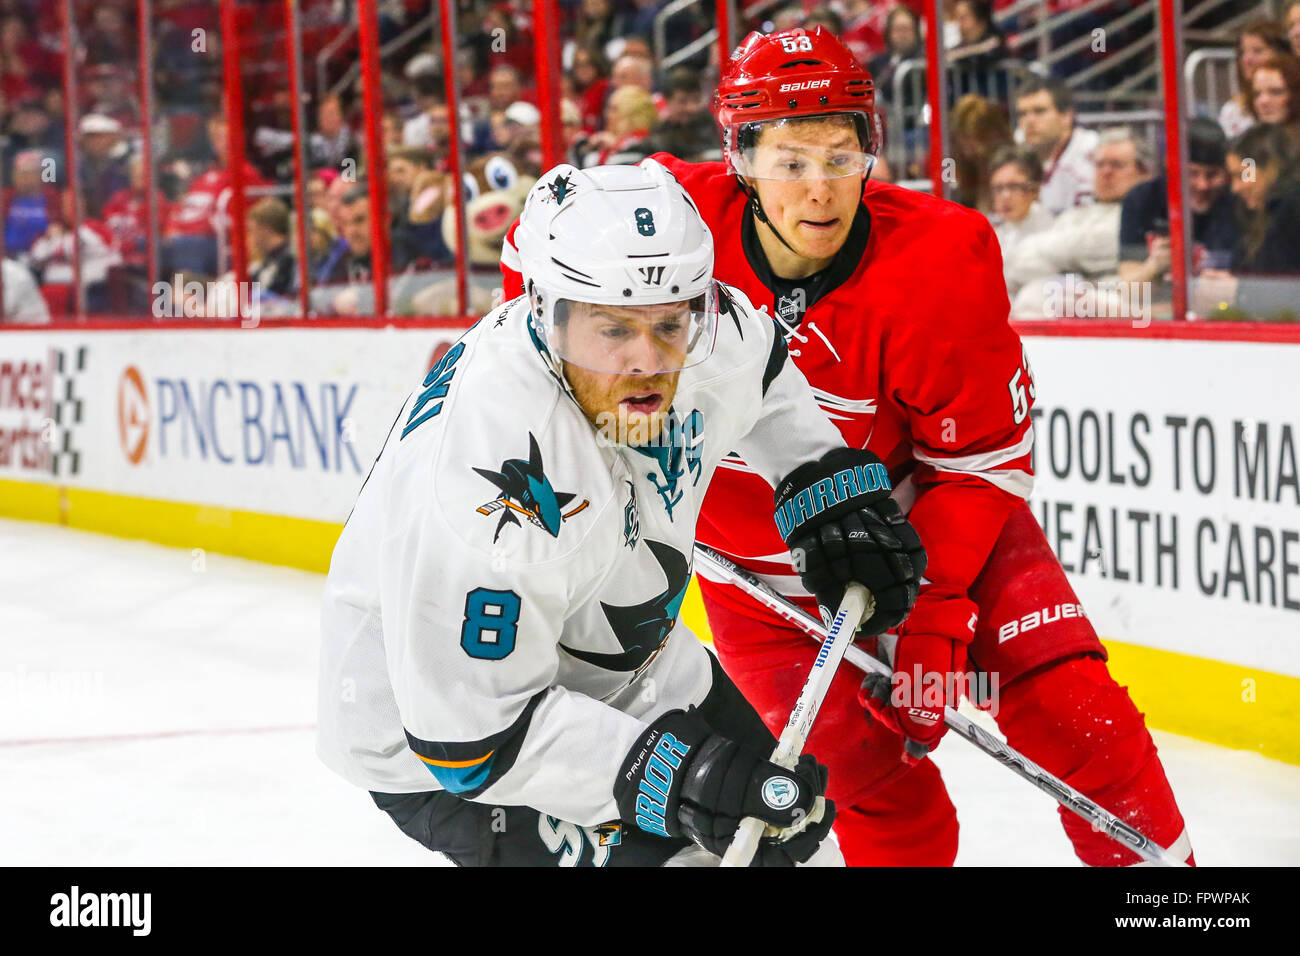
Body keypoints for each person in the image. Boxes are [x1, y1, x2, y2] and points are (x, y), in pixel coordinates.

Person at [500, 26, 1196, 867]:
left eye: (842, 155)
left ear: (872, 149)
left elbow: (981, 465)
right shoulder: (667, 227)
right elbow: (540, 245)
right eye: (791, 161)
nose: (821, 189)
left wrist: (933, 617)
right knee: (876, 807)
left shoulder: (940, 257)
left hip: (935, 534)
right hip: (764, 590)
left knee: (1085, 728)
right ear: (741, 161)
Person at [318, 159, 928, 866]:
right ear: (545, 315)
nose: (648, 361)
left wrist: (824, 489)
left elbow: (757, 372)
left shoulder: (683, 322)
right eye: (612, 331)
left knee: (788, 832)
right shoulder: (490, 497)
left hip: (628, 666)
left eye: (671, 325)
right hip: (449, 752)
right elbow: (473, 738)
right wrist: (683, 778)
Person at [1005, 127, 1152, 314]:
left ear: (1144, 172)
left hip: (1130, 313)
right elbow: (1019, 265)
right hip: (1074, 308)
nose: (1106, 172)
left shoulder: (1144, 217)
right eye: (1100, 164)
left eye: (1116, 165)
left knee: (1042, 298)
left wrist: (1061, 263)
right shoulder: (1073, 217)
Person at [1118, 118, 1236, 284]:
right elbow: (1127, 287)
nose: (1202, 185)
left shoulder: (1239, 203)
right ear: (1171, 168)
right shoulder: (1143, 199)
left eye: (1212, 175)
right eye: (1192, 174)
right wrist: (1154, 266)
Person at [1014, 76, 1099, 214]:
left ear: (1066, 116)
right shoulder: (1016, 148)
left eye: (1039, 111)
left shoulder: (1092, 150)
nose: (1029, 121)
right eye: (1022, 114)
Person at [987, 146, 1053, 288]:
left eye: (1013, 187)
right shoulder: (996, 233)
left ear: (1035, 190)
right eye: (998, 188)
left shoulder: (1051, 231)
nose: (1005, 196)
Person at [1218, 20, 1290, 139]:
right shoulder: (1232, 110)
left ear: (1281, 54)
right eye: (1242, 52)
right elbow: (1243, 157)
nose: (1246, 60)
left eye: (1258, 51)